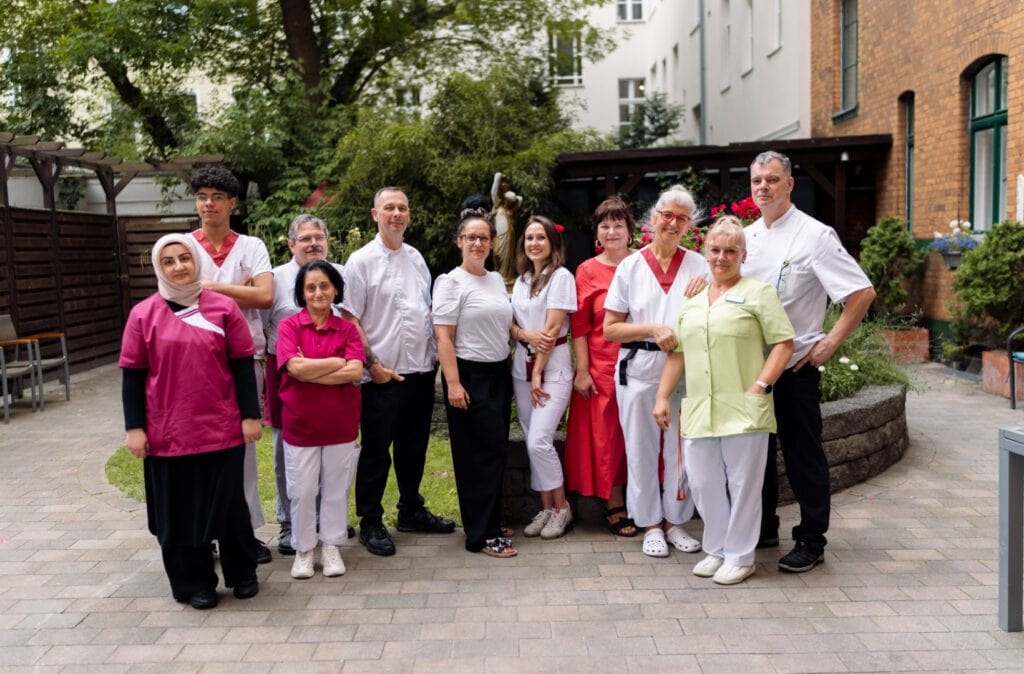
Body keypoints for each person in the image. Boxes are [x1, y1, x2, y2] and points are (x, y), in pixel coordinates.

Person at [742, 150, 876, 573]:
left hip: (796, 366)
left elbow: (861, 292)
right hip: (752, 368)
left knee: (803, 456)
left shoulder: (814, 235)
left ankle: (811, 540)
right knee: (756, 455)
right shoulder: (747, 237)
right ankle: (763, 527)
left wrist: (830, 342)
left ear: (789, 184)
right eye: (757, 180)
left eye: (772, 179)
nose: (763, 187)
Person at [119, 233, 261, 610]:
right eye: (169, 261)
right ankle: (195, 583)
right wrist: (135, 428)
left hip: (222, 430)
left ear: (196, 260)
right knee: (180, 514)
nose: (179, 266)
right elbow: (132, 376)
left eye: (184, 257)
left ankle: (242, 573)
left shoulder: (223, 308)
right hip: (168, 435)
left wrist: (250, 416)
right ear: (158, 267)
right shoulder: (143, 315)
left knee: (229, 507)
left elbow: (242, 365)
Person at [654, 217, 795, 585]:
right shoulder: (692, 301)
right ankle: (716, 549)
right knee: (703, 483)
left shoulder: (759, 293)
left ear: (743, 255)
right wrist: (662, 396)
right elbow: (678, 354)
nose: (721, 257)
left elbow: (784, 343)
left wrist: (760, 386)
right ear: (706, 253)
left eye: (730, 251)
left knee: (744, 486)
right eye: (715, 250)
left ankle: (741, 556)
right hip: (700, 409)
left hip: (743, 407)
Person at [342, 187, 455, 557]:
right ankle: (371, 520)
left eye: (402, 207)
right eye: (389, 207)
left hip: (420, 371)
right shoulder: (360, 261)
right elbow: (350, 317)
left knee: (414, 448)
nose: (396, 214)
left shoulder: (416, 257)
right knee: (376, 451)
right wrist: (372, 365)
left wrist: (434, 357)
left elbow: (426, 310)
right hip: (382, 375)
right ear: (375, 214)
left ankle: (410, 510)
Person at [603, 185, 706, 558]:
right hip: (639, 370)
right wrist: (651, 328)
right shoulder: (630, 267)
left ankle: (675, 521)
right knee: (640, 449)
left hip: (684, 371)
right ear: (653, 218)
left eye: (681, 218)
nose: (673, 223)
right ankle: (649, 524)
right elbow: (610, 329)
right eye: (667, 215)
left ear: (689, 225)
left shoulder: (699, 265)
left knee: (680, 450)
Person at [188, 166, 274, 564]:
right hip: (195, 364)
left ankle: (244, 533)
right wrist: (240, 291)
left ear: (232, 203)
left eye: (217, 197)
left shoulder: (251, 246)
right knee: (199, 450)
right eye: (202, 197)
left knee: (244, 449)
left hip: (244, 358)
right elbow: (176, 297)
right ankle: (204, 533)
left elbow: (265, 296)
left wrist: (207, 288)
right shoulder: (184, 247)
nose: (209, 204)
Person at [432, 208, 517, 558]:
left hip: (498, 373)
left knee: (494, 451)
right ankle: (481, 535)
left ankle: (490, 521)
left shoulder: (495, 280)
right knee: (476, 456)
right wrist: (453, 384)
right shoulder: (450, 282)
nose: (478, 243)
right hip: (469, 375)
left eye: (484, 237)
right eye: (471, 237)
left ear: (492, 243)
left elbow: (504, 326)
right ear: (459, 242)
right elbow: (444, 338)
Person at [262, 214, 345, 555]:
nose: (313, 243)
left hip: (336, 380)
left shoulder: (340, 274)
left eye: (318, 237)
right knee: (288, 451)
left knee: (333, 451)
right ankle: (289, 523)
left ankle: (327, 522)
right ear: (291, 244)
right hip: (287, 375)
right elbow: (263, 327)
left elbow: (352, 321)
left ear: (327, 240)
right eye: (305, 238)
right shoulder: (275, 279)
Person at [277, 260, 364, 580]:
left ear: (335, 289)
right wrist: (336, 362)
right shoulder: (289, 326)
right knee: (301, 490)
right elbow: (294, 368)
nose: (318, 292)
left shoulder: (347, 328)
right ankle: (303, 550)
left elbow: (355, 371)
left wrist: (310, 370)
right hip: (300, 425)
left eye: (324, 286)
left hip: (340, 424)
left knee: (336, 489)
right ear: (301, 292)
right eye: (310, 287)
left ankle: (331, 546)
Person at [565, 196, 637, 537]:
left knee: (641, 435)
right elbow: (579, 326)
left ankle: (646, 500)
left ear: (630, 231)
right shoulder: (587, 271)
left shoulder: (644, 263)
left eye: (618, 225)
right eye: (605, 226)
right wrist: (582, 371)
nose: (611, 232)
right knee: (609, 439)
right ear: (596, 233)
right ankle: (615, 502)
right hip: (603, 366)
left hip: (643, 362)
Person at [510, 215, 576, 540]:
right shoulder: (521, 280)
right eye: (529, 238)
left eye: (540, 237)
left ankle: (562, 508)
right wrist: (523, 334)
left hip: (553, 369)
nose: (534, 243)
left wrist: (537, 372)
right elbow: (510, 323)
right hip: (521, 366)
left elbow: (551, 329)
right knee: (530, 440)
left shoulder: (561, 277)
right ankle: (546, 507)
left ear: (552, 243)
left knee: (540, 439)